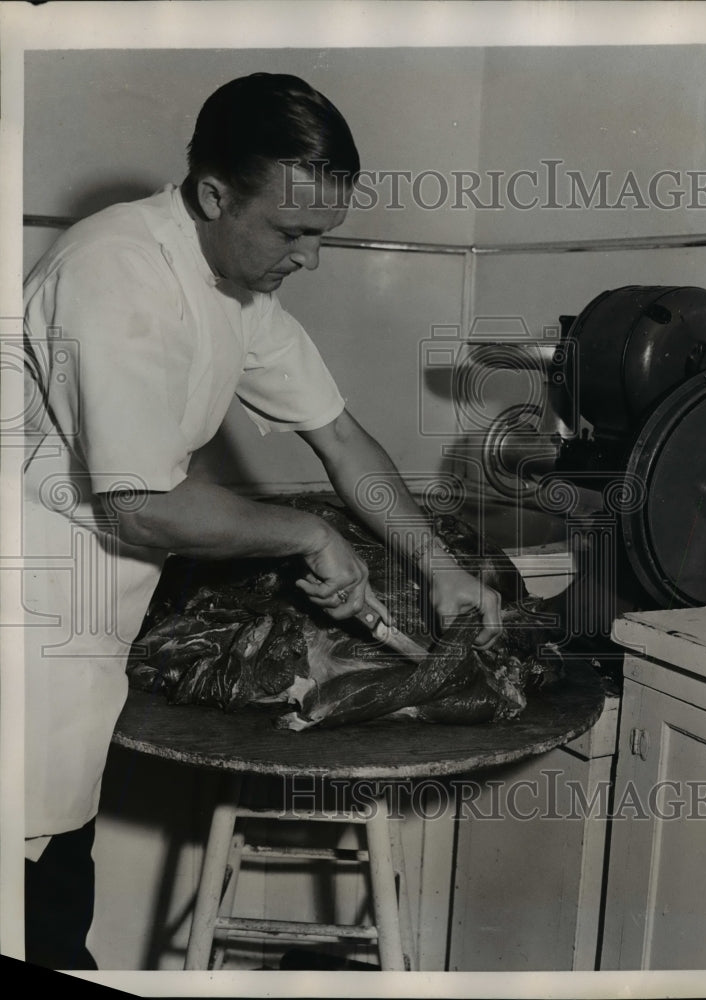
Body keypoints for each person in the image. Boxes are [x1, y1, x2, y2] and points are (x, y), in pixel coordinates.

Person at [22, 72, 502, 969]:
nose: (309, 257)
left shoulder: (241, 298)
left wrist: (440, 566)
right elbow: (142, 500)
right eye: (293, 232)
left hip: (73, 646)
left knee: (52, 896)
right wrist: (308, 534)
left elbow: (343, 439)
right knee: (39, 923)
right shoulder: (115, 267)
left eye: (323, 233)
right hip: (17, 637)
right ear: (213, 193)